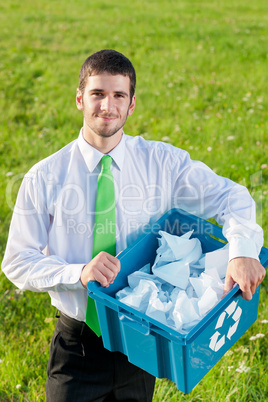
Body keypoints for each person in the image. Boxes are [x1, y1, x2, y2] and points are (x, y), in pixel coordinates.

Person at [2, 49, 265, 401]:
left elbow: (231, 197)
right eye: (97, 94)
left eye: (118, 96)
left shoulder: (161, 163)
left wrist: (242, 251)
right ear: (80, 99)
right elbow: (18, 262)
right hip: (77, 345)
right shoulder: (45, 177)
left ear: (132, 104)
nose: (107, 106)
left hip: (143, 342)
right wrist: (79, 272)